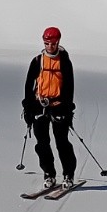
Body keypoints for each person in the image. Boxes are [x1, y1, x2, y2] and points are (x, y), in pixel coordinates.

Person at [23, 26, 77, 187]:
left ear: (58, 42)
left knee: (62, 143)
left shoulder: (64, 62)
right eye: (47, 43)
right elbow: (29, 85)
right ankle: (49, 173)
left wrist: (68, 109)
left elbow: (69, 86)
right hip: (40, 105)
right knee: (42, 143)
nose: (50, 46)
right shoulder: (37, 61)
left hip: (59, 106)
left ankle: (68, 175)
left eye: (53, 43)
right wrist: (28, 107)